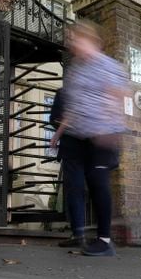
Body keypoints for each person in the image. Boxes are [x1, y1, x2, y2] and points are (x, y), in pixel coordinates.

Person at [51, 21, 128, 257]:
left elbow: (120, 96)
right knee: (75, 184)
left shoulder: (108, 66)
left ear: (92, 41)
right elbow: (73, 107)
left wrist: (111, 126)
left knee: (98, 182)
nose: (72, 43)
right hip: (76, 135)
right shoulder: (75, 69)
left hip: (101, 133)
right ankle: (79, 233)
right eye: (71, 39)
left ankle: (104, 240)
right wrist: (59, 133)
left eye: (76, 38)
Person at [49, 89, 88, 248]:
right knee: (94, 189)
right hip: (94, 147)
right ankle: (102, 236)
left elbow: (56, 119)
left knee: (76, 189)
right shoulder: (95, 93)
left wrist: (58, 134)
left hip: (73, 148)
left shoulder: (64, 93)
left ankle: (79, 233)